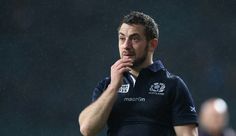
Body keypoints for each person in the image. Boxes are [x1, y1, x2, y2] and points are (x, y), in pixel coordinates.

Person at [79, 11, 198, 136]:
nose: (126, 45)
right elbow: (87, 129)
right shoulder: (107, 84)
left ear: (152, 44)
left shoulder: (173, 84)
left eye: (134, 39)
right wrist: (113, 88)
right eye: (122, 38)